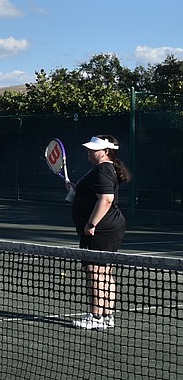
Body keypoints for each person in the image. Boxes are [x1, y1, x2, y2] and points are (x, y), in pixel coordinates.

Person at [68, 134, 132, 330]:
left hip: (101, 230)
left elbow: (106, 199)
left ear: (105, 152)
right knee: (105, 272)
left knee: (95, 272)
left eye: (94, 149)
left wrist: (91, 224)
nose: (89, 152)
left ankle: (96, 317)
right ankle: (107, 316)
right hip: (111, 228)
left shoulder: (103, 169)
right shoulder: (106, 168)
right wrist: (76, 189)